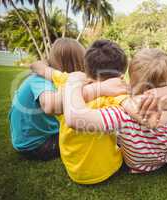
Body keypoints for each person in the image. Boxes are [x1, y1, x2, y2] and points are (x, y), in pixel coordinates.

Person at [31, 39, 128, 184]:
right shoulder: (117, 96)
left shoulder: (67, 80)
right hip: (109, 168)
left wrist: (43, 63)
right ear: (121, 76)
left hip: (75, 170)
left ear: (86, 69)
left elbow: (38, 67)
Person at [8, 38, 85, 161]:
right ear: (74, 63)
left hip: (42, 135)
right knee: (87, 137)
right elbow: (51, 106)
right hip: (36, 145)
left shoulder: (50, 78)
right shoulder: (40, 80)